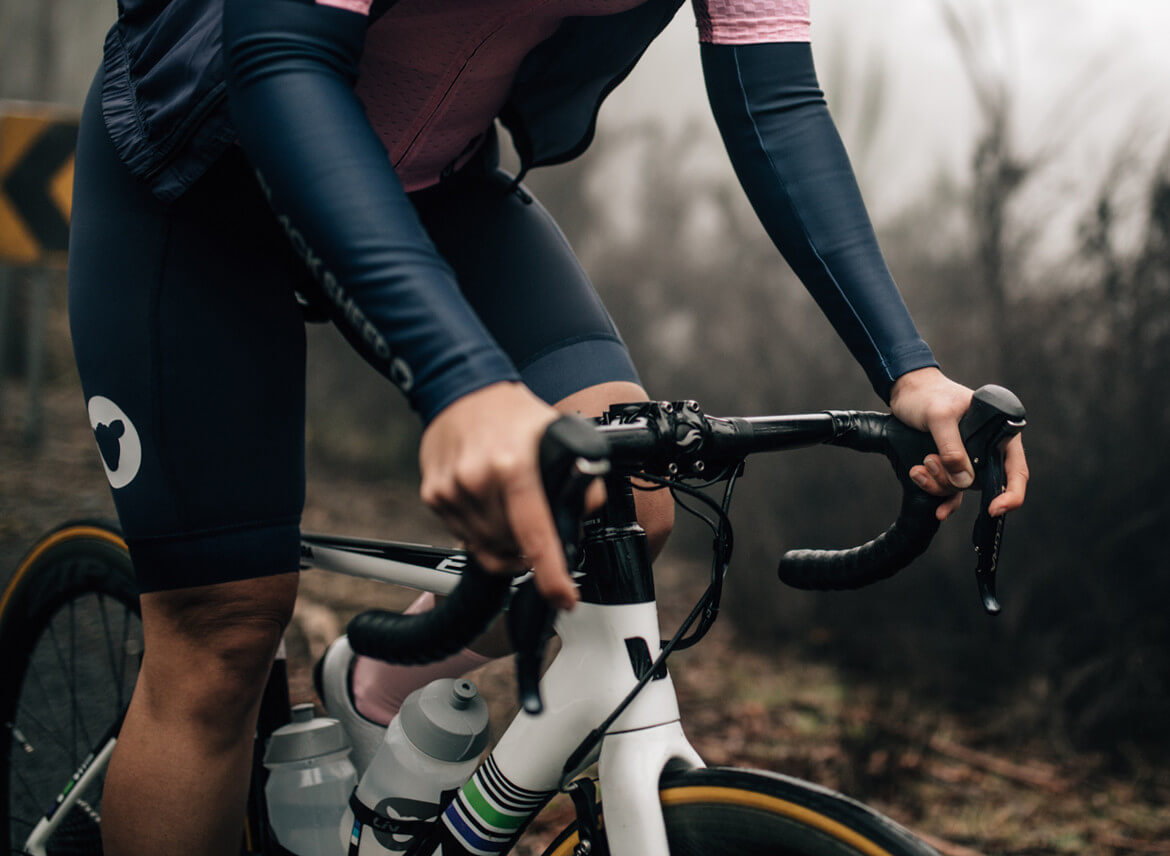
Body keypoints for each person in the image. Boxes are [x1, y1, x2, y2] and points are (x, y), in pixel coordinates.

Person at [67, 0, 1028, 853]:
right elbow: (276, 53)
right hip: (201, 183)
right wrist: (463, 381)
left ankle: (376, 686)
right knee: (222, 636)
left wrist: (910, 370)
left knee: (621, 513)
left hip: (437, 188)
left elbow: (775, 106)